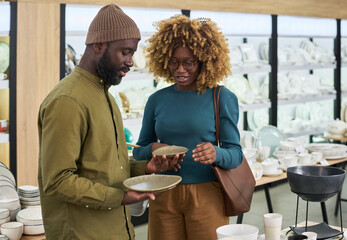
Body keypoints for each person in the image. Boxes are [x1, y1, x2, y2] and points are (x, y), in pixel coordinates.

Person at [37, 4, 178, 240]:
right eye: (125, 52)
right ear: (99, 46)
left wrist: (146, 168)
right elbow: (57, 180)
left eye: (132, 53)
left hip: (117, 230)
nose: (131, 61)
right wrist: (120, 196)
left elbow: (106, 169)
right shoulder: (68, 100)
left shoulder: (106, 96)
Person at [133, 15, 243, 240]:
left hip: (207, 195)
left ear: (204, 60)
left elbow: (236, 155)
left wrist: (216, 153)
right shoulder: (156, 100)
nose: (180, 69)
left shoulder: (221, 97)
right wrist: (153, 148)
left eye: (188, 62)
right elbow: (138, 150)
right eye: (173, 62)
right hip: (163, 193)